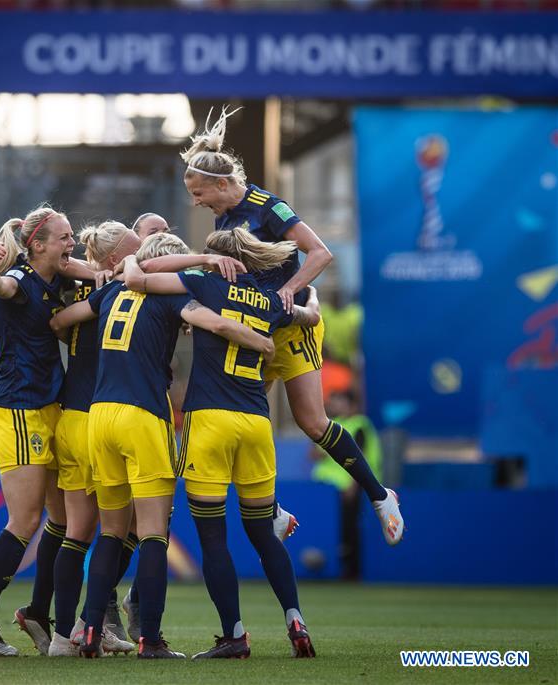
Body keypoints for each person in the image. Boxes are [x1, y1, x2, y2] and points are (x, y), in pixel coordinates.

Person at [181, 107, 404, 545]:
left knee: (312, 423)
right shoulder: (224, 217)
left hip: (294, 325)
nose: (196, 202)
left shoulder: (269, 207)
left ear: (222, 184)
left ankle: (380, 496)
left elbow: (320, 252)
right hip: (258, 329)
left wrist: (293, 288)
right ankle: (274, 510)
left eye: (199, 193)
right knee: (236, 418)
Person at [50, 232, 275, 659]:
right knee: (153, 534)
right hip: (143, 416)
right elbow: (218, 324)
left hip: (100, 415)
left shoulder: (112, 291)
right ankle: (150, 641)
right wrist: (261, 342)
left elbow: (61, 320)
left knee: (111, 532)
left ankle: (90, 630)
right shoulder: (172, 297)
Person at [123, 227, 320, 658]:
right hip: (256, 423)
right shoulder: (271, 300)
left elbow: (140, 274)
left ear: (220, 259)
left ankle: (234, 636)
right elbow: (310, 317)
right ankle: (296, 620)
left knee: (214, 539)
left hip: (210, 421)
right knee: (265, 534)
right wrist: (311, 296)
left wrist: (200, 261)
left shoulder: (204, 283)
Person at [0, 206, 91, 657]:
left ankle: (36, 611)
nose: (71, 243)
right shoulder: (18, 278)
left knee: (63, 519)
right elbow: (3, 288)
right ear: (37, 245)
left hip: (48, 406)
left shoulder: (55, 278)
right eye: (64, 237)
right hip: (18, 409)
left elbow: (86, 270)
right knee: (25, 520)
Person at [47, 221, 142, 657]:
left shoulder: (85, 291)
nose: (143, 259)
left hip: (69, 417)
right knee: (129, 528)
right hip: (97, 419)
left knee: (77, 532)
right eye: (136, 252)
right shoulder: (122, 291)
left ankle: (63, 635)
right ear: (114, 259)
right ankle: (91, 624)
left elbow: (57, 321)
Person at [311, 389, 382, 580]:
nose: (334, 405)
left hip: (349, 488)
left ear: (352, 405)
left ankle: (352, 570)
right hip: (327, 488)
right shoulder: (328, 425)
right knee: (333, 529)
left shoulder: (360, 425)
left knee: (350, 528)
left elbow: (361, 458)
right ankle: (334, 568)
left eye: (339, 401)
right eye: (333, 401)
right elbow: (314, 455)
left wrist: (353, 485)